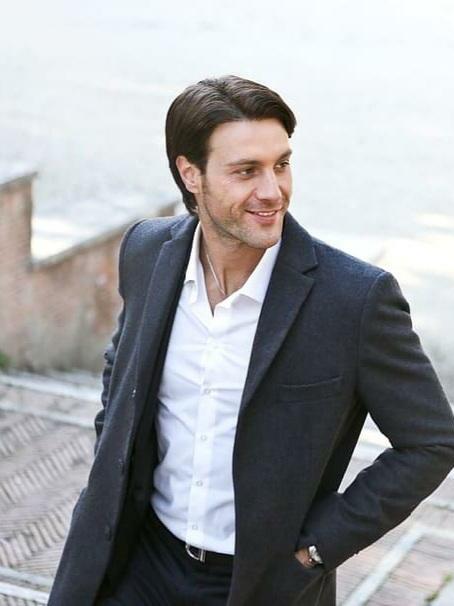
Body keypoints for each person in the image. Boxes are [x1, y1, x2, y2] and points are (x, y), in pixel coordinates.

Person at [48, 75, 454, 606]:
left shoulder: (354, 299)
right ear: (190, 174)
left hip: (259, 584)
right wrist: (112, 465)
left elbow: (431, 442)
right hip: (137, 562)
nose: (272, 191)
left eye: (281, 165)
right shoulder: (147, 250)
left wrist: (318, 549)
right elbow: (120, 370)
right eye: (246, 171)